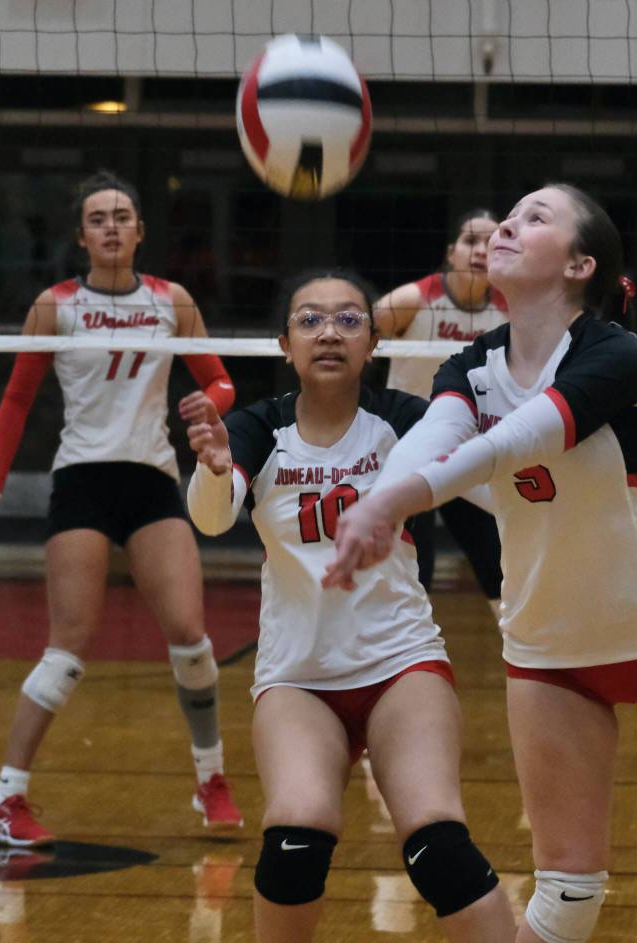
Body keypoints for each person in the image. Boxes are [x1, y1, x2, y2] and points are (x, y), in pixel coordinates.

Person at [323, 184, 637, 943]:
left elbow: (516, 441)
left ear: (579, 264)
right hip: (549, 650)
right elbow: (433, 438)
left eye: (534, 218)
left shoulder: (614, 356)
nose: (506, 226)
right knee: (565, 895)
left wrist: (391, 502)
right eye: (509, 215)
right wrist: (384, 498)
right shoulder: (471, 365)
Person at [184, 270, 516, 943]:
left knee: (438, 845)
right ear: (285, 345)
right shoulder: (257, 426)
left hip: (400, 664)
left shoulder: (404, 420)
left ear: (372, 343)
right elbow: (213, 519)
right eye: (309, 320)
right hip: (299, 677)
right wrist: (214, 470)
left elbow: (494, 490)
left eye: (348, 319)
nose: (329, 332)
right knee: (296, 840)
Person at [0, 170, 242, 846]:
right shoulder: (54, 306)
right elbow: (16, 398)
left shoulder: (171, 300)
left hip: (152, 480)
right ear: (81, 235)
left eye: (122, 217)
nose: (111, 227)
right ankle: (5, 798)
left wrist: (211, 403)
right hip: (83, 482)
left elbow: (221, 380)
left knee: (192, 637)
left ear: (140, 231)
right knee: (68, 648)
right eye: (98, 219)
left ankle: (211, 779)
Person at [375, 209, 506, 613]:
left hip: (469, 452)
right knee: (418, 572)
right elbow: (354, 339)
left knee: (500, 569)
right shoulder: (412, 301)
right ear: (452, 252)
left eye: (491, 243)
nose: (480, 251)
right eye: (471, 241)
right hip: (411, 450)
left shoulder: (513, 311)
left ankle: (525, 646)